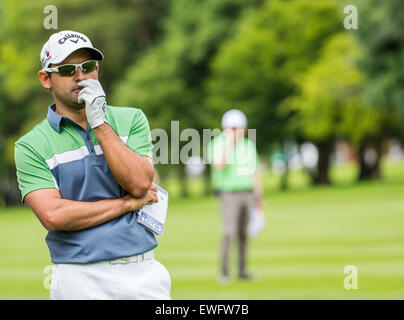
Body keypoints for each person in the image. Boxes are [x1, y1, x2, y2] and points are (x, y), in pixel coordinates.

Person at [14, 30, 171, 300]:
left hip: (142, 269)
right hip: (78, 276)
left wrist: (98, 121)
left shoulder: (131, 119)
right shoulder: (30, 145)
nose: (80, 76)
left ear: (97, 69)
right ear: (45, 79)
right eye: (67, 69)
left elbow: (140, 183)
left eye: (87, 67)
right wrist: (125, 204)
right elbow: (53, 216)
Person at [208, 109, 262, 283]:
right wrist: (230, 144)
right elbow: (220, 165)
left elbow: (254, 172)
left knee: (244, 233)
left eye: (239, 128)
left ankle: (242, 271)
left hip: (247, 192)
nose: (236, 131)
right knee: (229, 233)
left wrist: (259, 197)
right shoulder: (217, 143)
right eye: (233, 128)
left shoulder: (248, 145)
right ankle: (224, 272)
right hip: (228, 194)